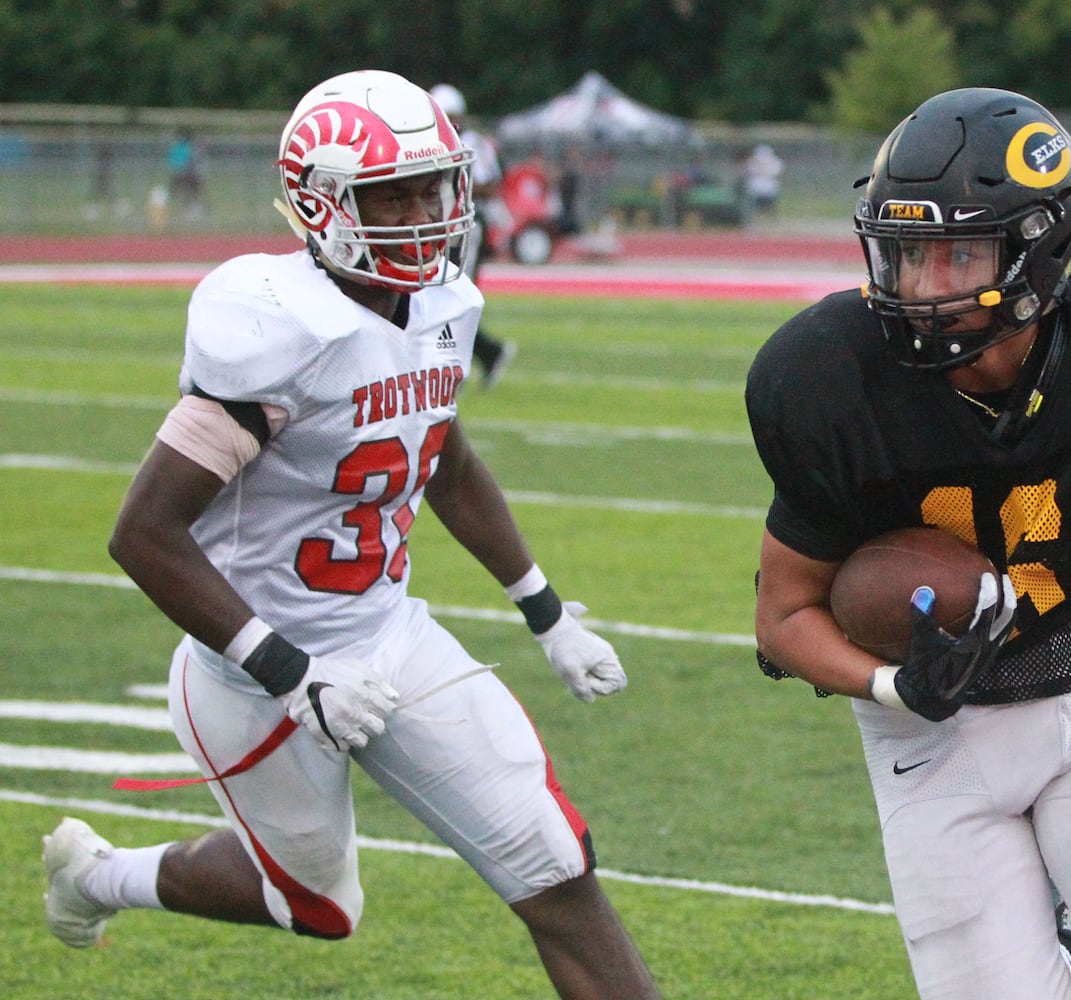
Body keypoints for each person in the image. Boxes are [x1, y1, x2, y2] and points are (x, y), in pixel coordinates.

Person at [41, 70, 661, 1000]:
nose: (424, 214)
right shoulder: (276, 328)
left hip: (386, 635)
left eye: (432, 187)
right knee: (319, 907)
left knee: (555, 869)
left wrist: (544, 611)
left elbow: (442, 455)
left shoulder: (442, 303)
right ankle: (98, 876)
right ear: (320, 204)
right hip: (251, 672)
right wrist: (292, 672)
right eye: (392, 195)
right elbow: (145, 534)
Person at [746, 87, 1071, 1000]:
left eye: (953, 254)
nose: (917, 287)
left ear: (1038, 255)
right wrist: (894, 682)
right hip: (926, 729)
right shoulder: (820, 373)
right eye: (901, 255)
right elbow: (782, 617)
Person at [429, 83, 517, 388]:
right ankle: (480, 355)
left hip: (466, 228)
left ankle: (461, 364)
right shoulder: (430, 140)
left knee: (454, 297)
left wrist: (450, 181)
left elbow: (490, 184)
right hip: (436, 227)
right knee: (436, 297)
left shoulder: (471, 142)